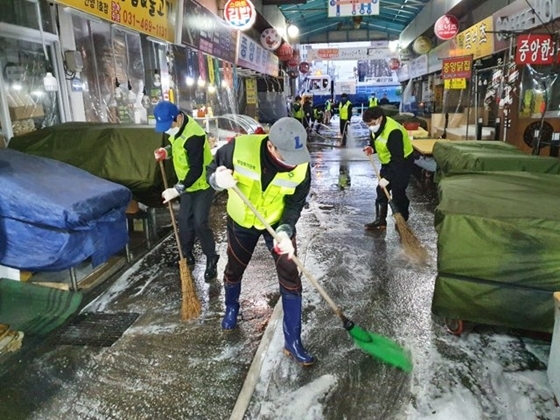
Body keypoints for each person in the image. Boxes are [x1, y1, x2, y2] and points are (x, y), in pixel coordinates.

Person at [207, 117, 314, 366]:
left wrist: (286, 230)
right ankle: (232, 307)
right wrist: (217, 180)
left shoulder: (301, 165)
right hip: (242, 220)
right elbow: (210, 169)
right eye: (285, 155)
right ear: (270, 146)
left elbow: (296, 202)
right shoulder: (239, 148)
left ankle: (293, 341)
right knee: (235, 267)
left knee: (290, 275)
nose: (292, 162)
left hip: (277, 224)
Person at [153, 101, 219, 280]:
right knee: (184, 221)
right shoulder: (177, 129)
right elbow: (178, 147)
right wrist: (167, 151)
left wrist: (177, 189)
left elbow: (196, 169)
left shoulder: (194, 135)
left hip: (203, 184)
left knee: (199, 223)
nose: (168, 130)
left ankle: (212, 259)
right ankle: (186, 256)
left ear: (179, 117)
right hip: (188, 184)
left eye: (169, 125)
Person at [362, 106, 414, 230]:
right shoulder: (376, 127)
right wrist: (371, 148)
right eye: (368, 125)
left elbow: (398, 160)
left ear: (380, 118)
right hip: (387, 162)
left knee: (398, 192)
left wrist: (388, 178)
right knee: (381, 190)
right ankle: (380, 220)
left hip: (403, 162)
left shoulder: (393, 131)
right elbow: (376, 141)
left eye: (372, 123)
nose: (370, 126)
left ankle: (402, 218)